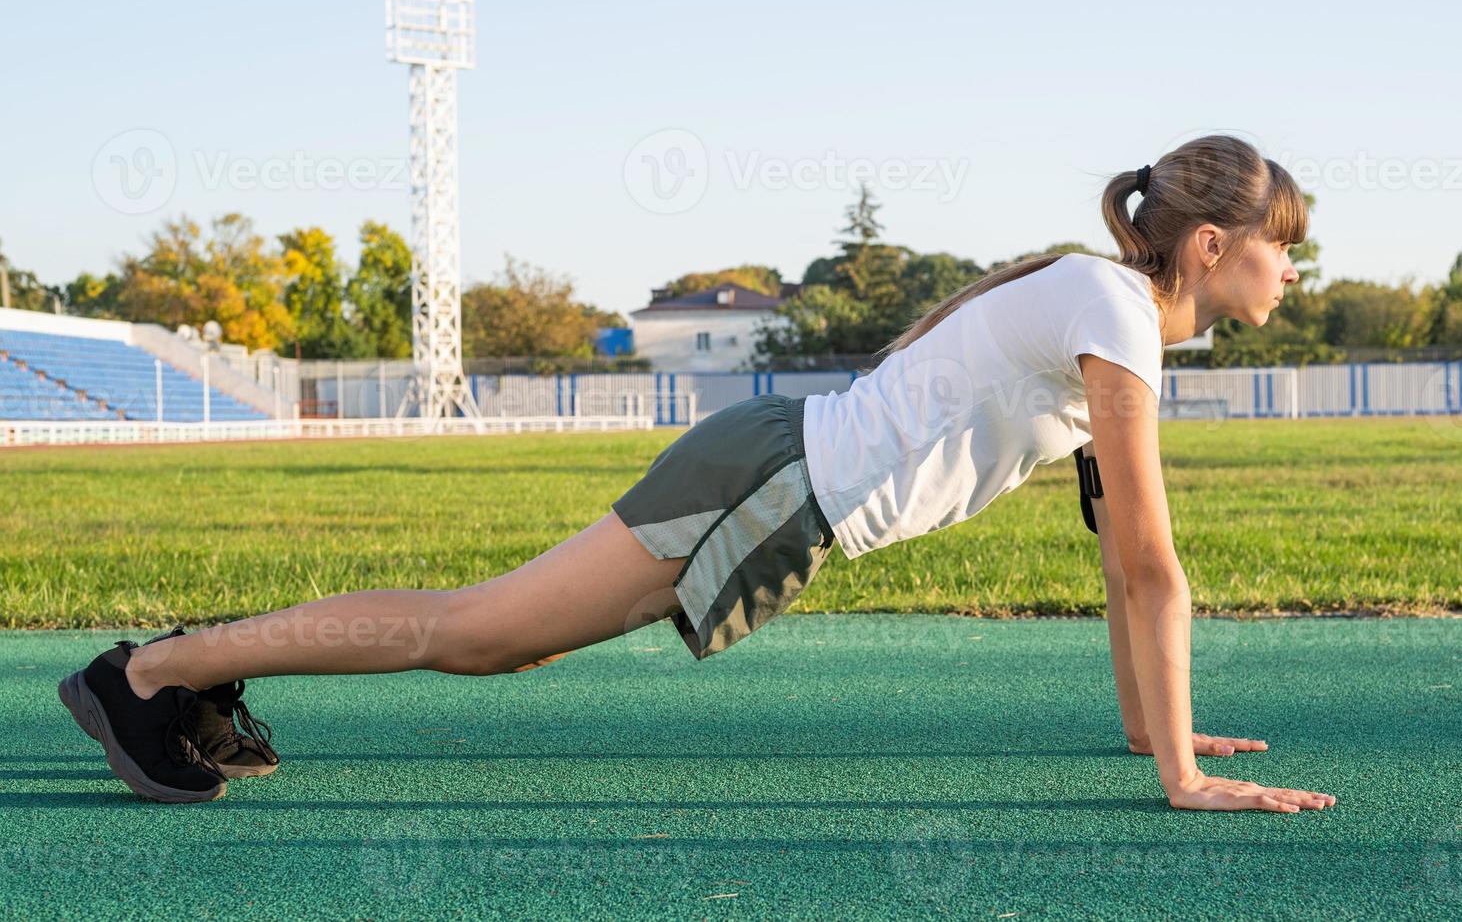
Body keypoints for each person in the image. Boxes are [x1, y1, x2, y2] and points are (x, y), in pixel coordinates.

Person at [59, 134, 1335, 814]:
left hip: (772, 468)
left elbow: (1117, 545)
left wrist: (1146, 729)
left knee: (493, 637)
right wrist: (1180, 774)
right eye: (1282, 249)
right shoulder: (1110, 307)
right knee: (477, 633)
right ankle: (159, 671)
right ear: (1211, 245)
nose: (1292, 271)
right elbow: (1153, 565)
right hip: (768, 479)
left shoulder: (1099, 308)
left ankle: (181, 665)